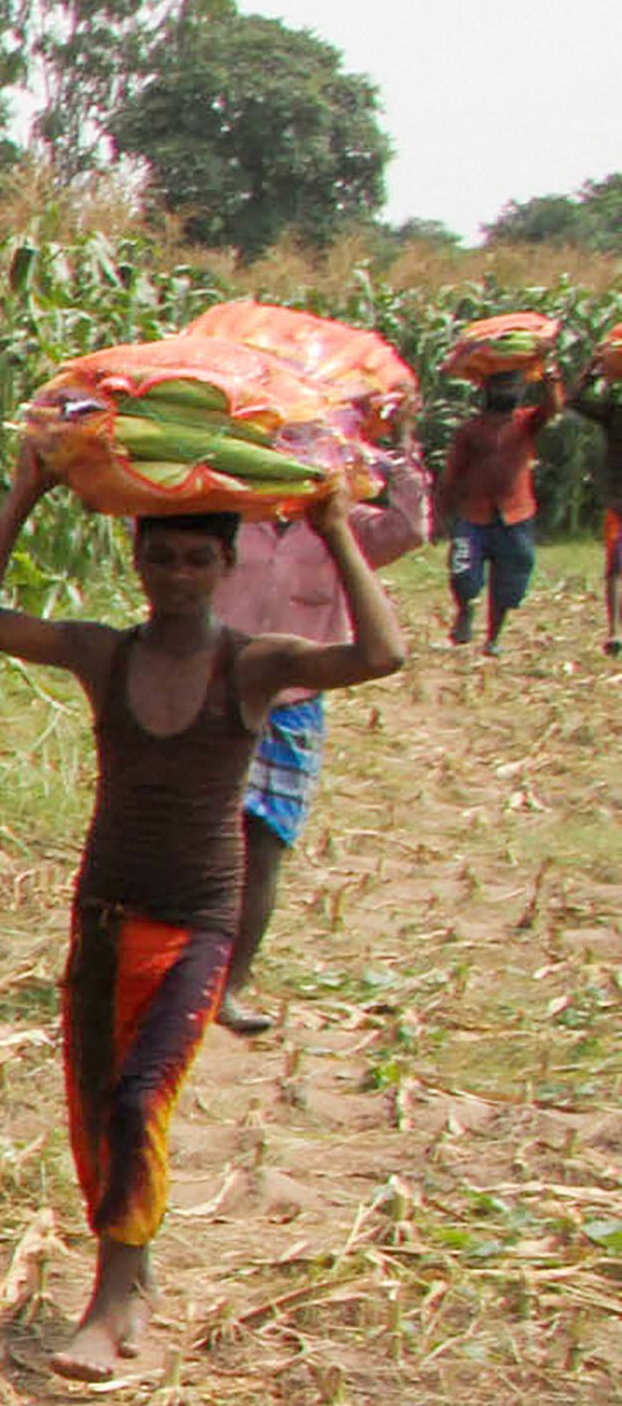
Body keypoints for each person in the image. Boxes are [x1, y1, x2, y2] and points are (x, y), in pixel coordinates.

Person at [0, 438, 409, 1381]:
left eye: (199, 558)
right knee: (92, 1107)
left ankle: (114, 1302)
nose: (180, 575)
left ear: (226, 566)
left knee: (139, 1097)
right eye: (163, 556)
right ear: (138, 562)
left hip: (199, 917)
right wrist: (26, 488)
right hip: (105, 909)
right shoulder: (100, 653)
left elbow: (381, 653)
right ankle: (136, 1270)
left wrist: (332, 528)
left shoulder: (253, 664)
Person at [213, 434, 425, 1036]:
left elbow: (410, 527)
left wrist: (395, 444)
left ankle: (230, 986)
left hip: (291, 706)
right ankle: (178, 974)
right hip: (210, 695)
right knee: (198, 842)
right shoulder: (224, 506)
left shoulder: (345, 522)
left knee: (265, 849)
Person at [440, 366, 557, 650]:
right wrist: (443, 513)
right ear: (488, 391)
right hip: (473, 514)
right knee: (463, 572)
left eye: (512, 386)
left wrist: (552, 380)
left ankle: (494, 637)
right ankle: (466, 611)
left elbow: (553, 408)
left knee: (511, 576)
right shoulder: (471, 430)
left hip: (515, 514)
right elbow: (452, 474)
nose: (507, 392)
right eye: (501, 386)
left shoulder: (526, 422)